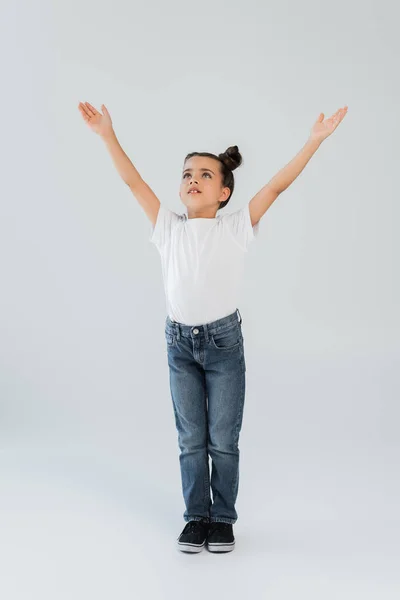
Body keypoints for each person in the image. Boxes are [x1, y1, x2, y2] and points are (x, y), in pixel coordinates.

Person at [78, 101, 348, 553]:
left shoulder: (236, 228)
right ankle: (195, 517)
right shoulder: (168, 228)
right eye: (187, 173)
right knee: (190, 439)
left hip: (223, 345)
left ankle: (222, 517)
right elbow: (132, 181)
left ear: (224, 192)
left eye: (205, 175)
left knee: (222, 439)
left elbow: (277, 186)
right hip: (180, 344)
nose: (192, 180)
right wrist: (107, 134)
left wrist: (313, 141)